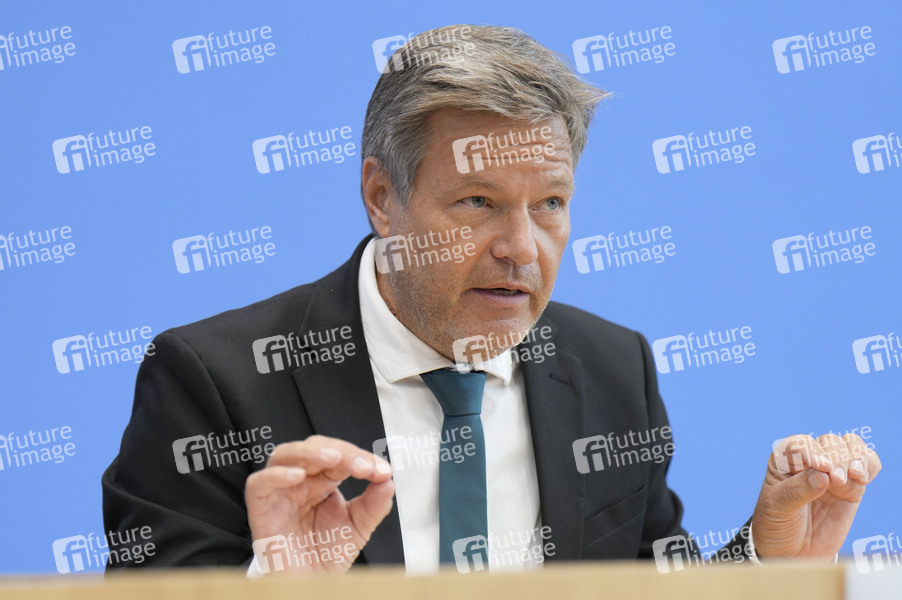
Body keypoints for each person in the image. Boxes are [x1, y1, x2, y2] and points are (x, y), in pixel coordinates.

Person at [102, 24, 881, 574]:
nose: (522, 247)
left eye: (550, 204)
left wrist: (767, 560)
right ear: (382, 197)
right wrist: (280, 589)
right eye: (478, 202)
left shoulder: (613, 369)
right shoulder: (215, 380)